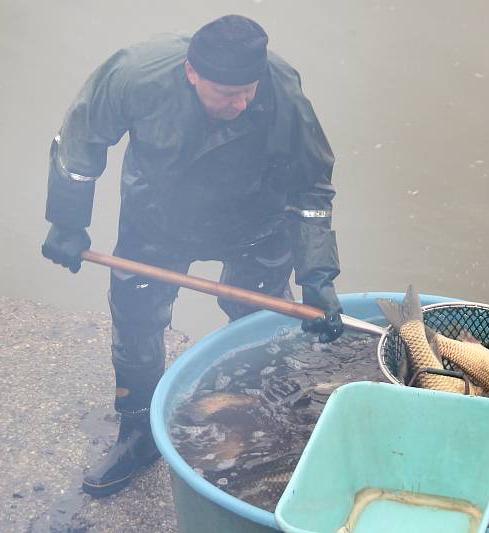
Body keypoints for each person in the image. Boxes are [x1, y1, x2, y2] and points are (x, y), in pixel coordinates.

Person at [40, 14, 344, 497]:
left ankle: (255, 426)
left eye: (248, 91)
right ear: (192, 73)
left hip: (255, 220)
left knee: (258, 322)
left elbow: (311, 187)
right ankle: (138, 431)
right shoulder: (134, 76)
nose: (241, 103)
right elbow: (80, 142)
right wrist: (67, 221)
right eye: (227, 94)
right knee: (137, 318)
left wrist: (318, 274)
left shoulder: (282, 91)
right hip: (158, 217)